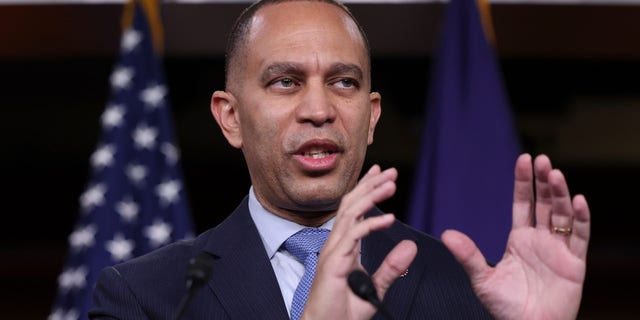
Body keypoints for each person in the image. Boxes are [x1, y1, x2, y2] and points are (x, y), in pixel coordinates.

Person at [90, 0, 591, 319]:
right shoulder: (145, 298)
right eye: (285, 81)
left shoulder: (464, 289)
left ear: (371, 117)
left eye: (344, 82)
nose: (319, 110)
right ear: (230, 117)